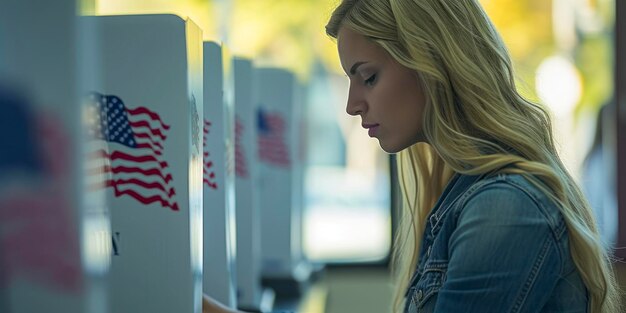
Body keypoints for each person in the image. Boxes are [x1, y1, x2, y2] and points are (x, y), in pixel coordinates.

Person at [204, 0, 622, 312]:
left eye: (368, 77)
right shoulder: (465, 194)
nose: (352, 105)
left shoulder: (505, 207)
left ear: (432, 62)